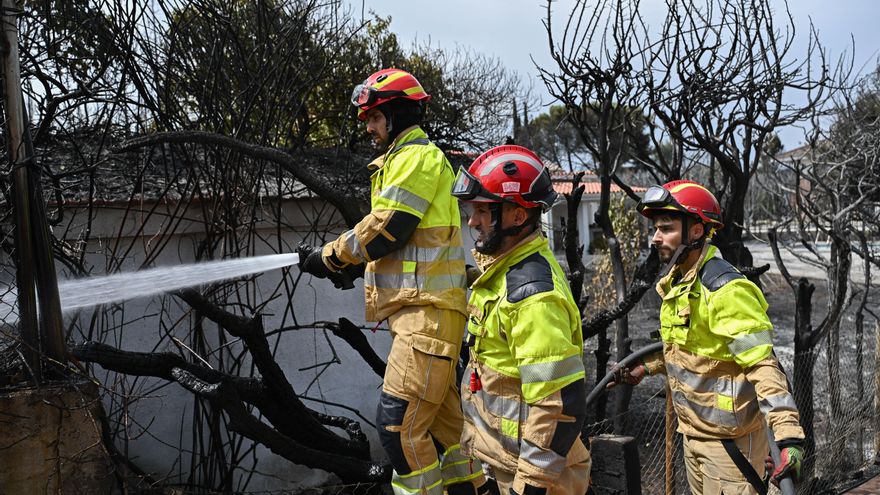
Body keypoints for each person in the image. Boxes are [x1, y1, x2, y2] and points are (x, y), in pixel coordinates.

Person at [298, 68, 484, 495]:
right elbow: (402, 245)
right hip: (425, 314)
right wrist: (350, 268)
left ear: (398, 114)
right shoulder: (404, 160)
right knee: (450, 436)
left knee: (398, 427)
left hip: (427, 317)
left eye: (375, 117)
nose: (368, 127)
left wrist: (330, 256)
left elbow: (389, 227)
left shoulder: (416, 157)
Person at [611, 179, 805, 494]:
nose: (655, 238)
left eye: (666, 228)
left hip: (731, 448)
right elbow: (688, 351)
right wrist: (645, 368)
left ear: (697, 231)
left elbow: (763, 366)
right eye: (656, 229)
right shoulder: (679, 284)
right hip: (692, 437)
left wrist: (788, 438)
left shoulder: (725, 289)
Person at [451, 145, 591, 495]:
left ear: (517, 216)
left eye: (483, 210)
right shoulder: (500, 274)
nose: (472, 221)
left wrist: (529, 487)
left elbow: (559, 404)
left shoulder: (532, 295)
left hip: (540, 480)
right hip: (504, 462)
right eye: (472, 210)